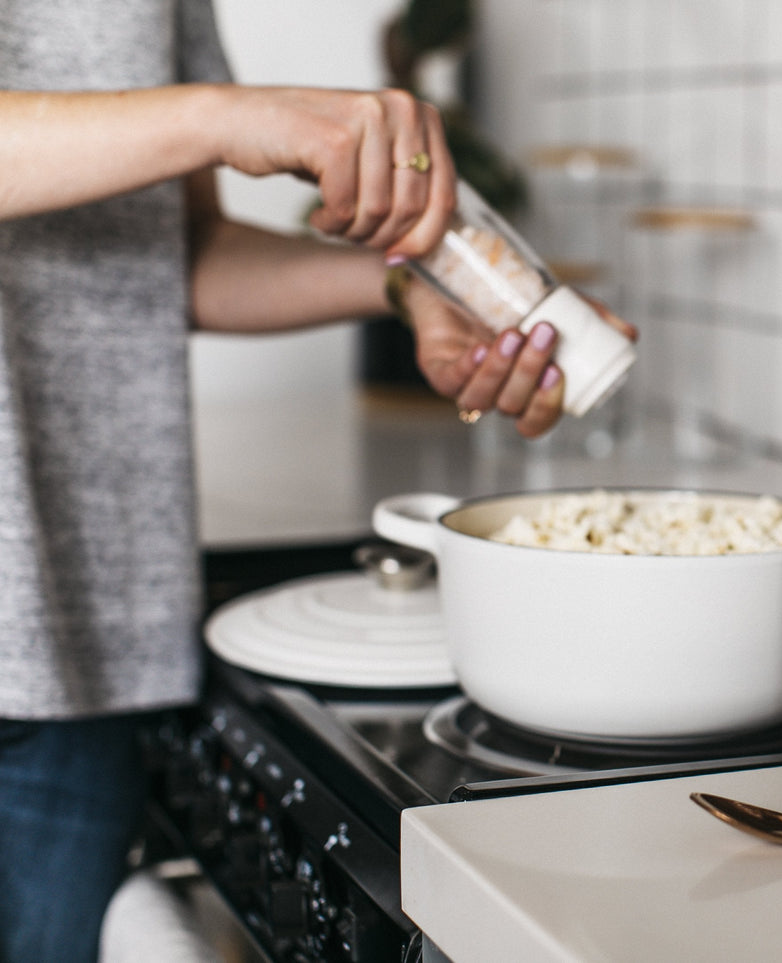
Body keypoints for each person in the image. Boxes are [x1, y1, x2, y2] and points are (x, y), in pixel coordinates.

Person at [0, 2, 633, 960]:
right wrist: (224, 115)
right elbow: (203, 127)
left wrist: (409, 290)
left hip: (81, 630)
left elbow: (169, 259)